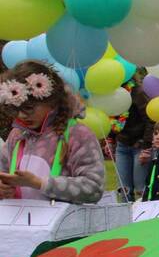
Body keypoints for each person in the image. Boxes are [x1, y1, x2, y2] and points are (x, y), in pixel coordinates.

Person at [0, 61, 104, 203]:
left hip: (63, 224)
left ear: (52, 101)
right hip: (21, 223)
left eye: (29, 108)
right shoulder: (17, 135)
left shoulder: (78, 134)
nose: (22, 115)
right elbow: (3, 173)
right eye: (16, 108)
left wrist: (40, 183)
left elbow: (93, 188)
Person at [108, 72, 153, 201]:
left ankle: (143, 219)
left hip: (140, 146)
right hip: (122, 145)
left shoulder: (137, 92)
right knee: (123, 190)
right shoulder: (111, 92)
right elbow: (111, 116)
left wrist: (146, 147)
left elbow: (150, 120)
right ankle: (125, 219)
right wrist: (110, 139)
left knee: (141, 189)